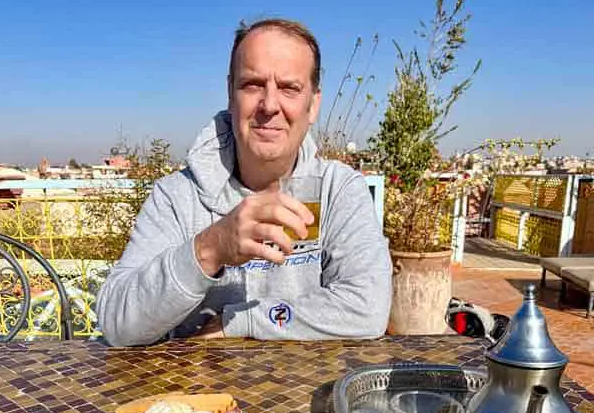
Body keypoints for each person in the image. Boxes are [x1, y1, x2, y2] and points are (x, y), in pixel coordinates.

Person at [96, 18, 392, 347]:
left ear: (313, 105)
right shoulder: (176, 197)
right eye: (252, 84)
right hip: (196, 394)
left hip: (304, 395)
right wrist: (208, 249)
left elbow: (369, 308)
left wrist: (244, 321)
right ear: (230, 94)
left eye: (289, 88)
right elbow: (115, 323)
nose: (269, 105)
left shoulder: (338, 190)